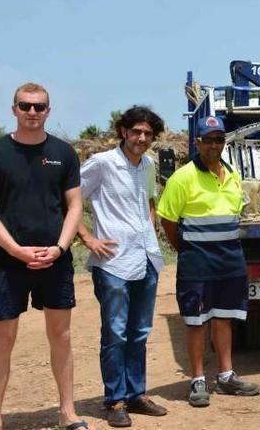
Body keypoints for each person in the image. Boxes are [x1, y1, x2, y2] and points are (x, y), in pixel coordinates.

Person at [0, 83, 87, 430]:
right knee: (2, 340)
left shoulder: (64, 153)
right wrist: (15, 250)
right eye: (25, 106)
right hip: (10, 262)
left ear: (49, 111)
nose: (32, 113)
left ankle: (68, 412)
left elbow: (75, 204)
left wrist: (60, 247)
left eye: (39, 107)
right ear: (14, 109)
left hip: (56, 260)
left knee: (61, 336)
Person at [157, 115, 260, 408]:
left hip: (229, 260)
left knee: (224, 318)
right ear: (197, 142)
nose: (214, 145)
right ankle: (198, 381)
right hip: (197, 263)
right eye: (208, 140)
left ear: (223, 142)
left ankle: (226, 376)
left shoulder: (233, 174)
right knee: (195, 322)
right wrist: (187, 251)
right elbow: (168, 222)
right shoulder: (182, 178)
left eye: (219, 139)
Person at [78, 106, 168, 427]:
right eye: (136, 131)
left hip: (146, 259)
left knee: (140, 332)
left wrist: (151, 230)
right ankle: (115, 399)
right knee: (115, 333)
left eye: (147, 133)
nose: (141, 138)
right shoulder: (102, 164)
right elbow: (68, 197)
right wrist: (88, 237)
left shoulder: (148, 165)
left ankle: (136, 395)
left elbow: (150, 202)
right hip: (113, 263)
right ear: (123, 131)